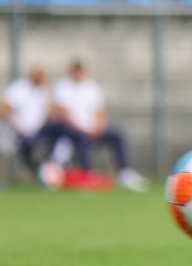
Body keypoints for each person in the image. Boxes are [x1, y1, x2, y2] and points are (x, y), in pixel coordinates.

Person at [50, 60, 146, 192]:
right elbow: (64, 114)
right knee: (81, 139)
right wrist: (83, 130)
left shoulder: (91, 87)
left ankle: (125, 173)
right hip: (74, 130)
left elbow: (100, 111)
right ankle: (88, 175)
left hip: (93, 129)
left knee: (117, 135)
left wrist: (98, 127)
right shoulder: (63, 87)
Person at [1, 65, 62, 178]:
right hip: (21, 131)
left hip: (40, 130)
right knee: (30, 144)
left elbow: (51, 113)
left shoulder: (43, 91)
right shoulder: (19, 88)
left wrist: (49, 91)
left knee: (61, 129)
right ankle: (34, 170)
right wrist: (16, 125)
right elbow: (5, 108)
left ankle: (50, 167)